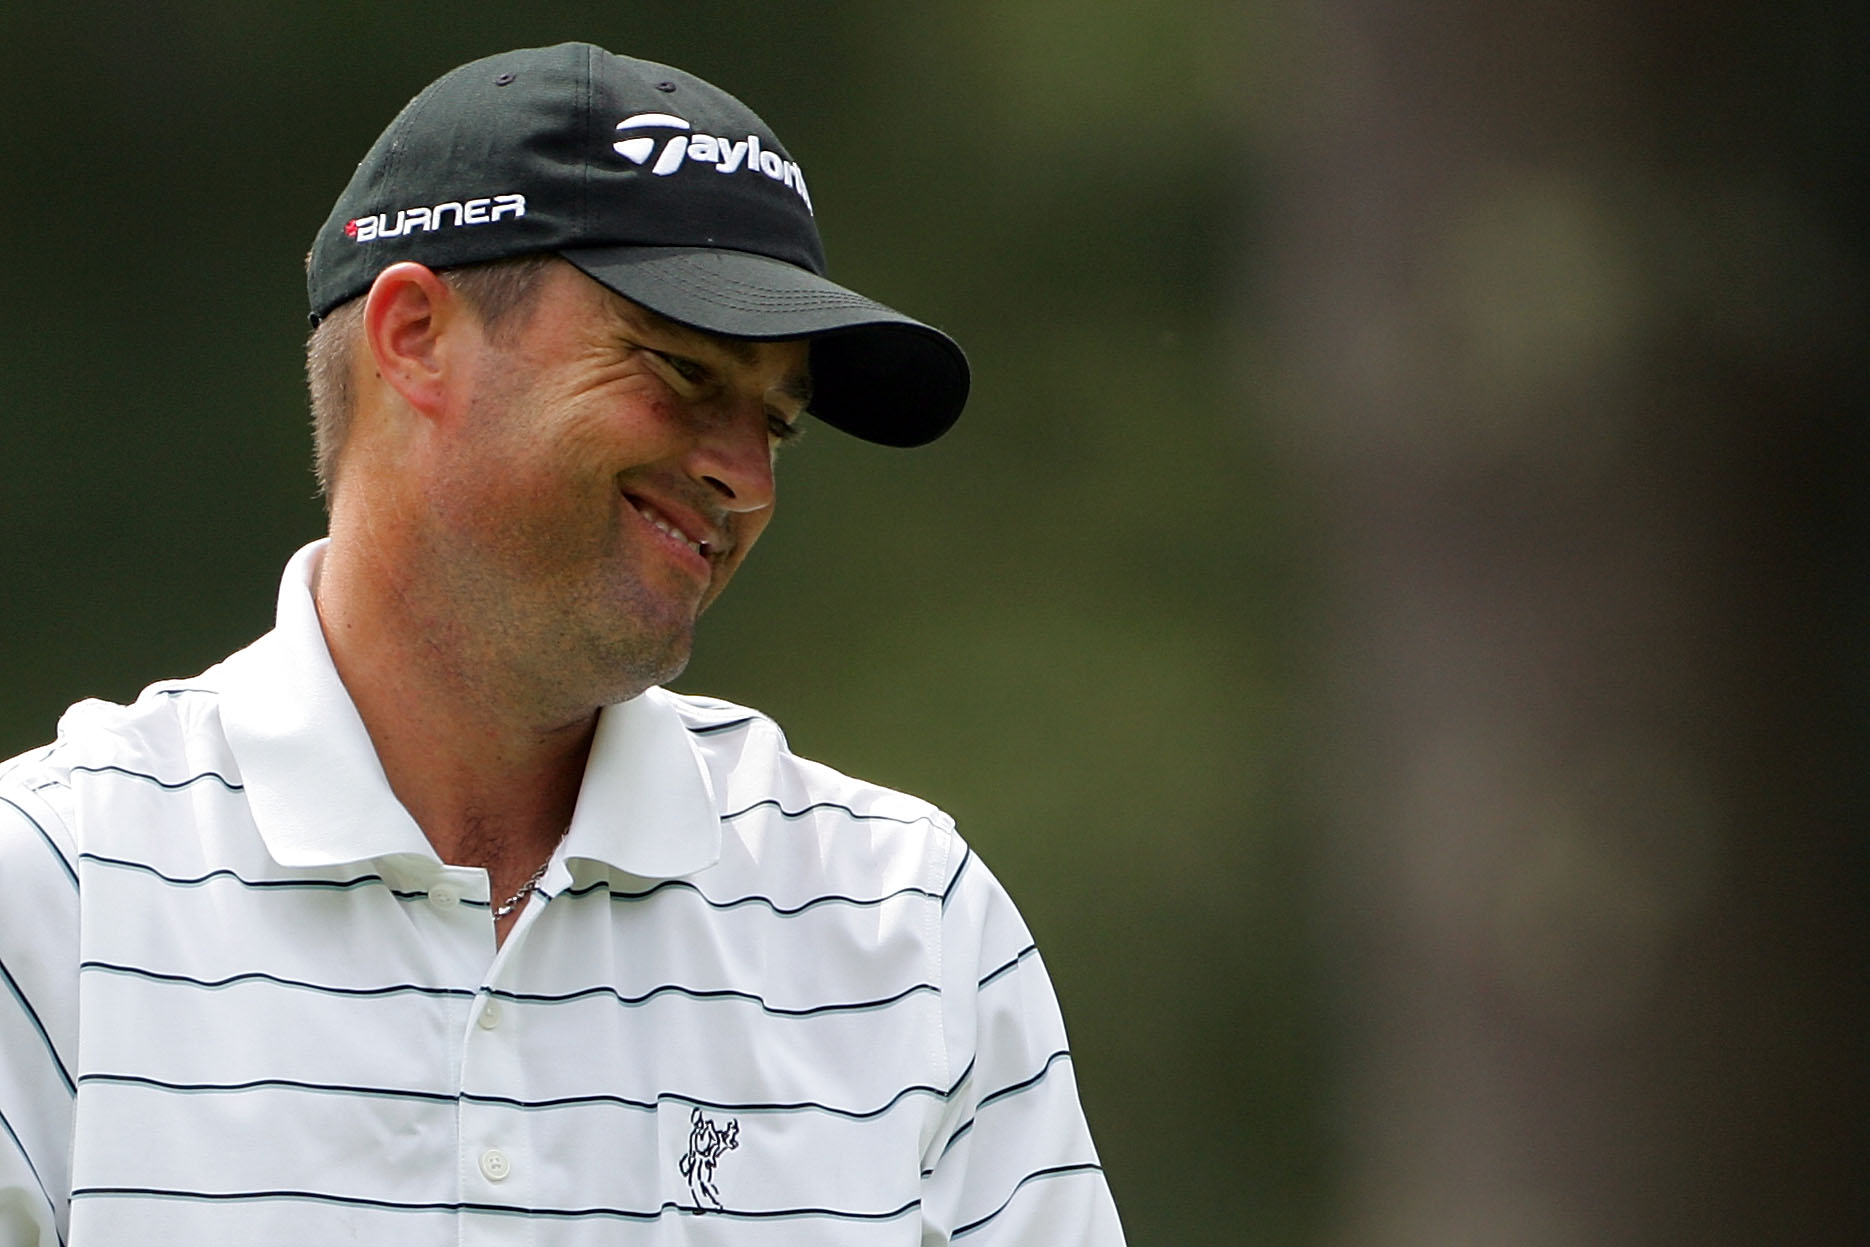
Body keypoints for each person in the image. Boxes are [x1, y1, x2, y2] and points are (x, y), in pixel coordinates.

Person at [0, 42, 1123, 1246]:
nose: (742, 477)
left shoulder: (906, 926)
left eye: (778, 426)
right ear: (417, 336)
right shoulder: (50, 898)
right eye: (681, 369)